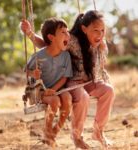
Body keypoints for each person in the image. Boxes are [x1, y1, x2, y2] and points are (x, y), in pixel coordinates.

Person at [21, 10, 115, 149]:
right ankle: (77, 137)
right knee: (83, 97)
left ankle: (98, 131)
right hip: (73, 83)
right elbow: (49, 44)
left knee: (109, 91)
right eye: (95, 30)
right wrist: (29, 33)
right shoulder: (73, 40)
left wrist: (101, 49)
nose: (100, 34)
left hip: (90, 81)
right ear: (84, 29)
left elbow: (98, 65)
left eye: (102, 30)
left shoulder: (100, 45)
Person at [22, 17, 72, 147]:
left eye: (68, 32)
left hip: (56, 89)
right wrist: (34, 73)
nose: (68, 35)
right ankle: (47, 131)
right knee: (55, 101)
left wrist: (54, 90)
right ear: (51, 37)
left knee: (67, 98)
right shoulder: (39, 56)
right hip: (39, 90)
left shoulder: (65, 56)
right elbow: (26, 71)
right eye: (63, 32)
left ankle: (54, 131)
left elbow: (64, 78)